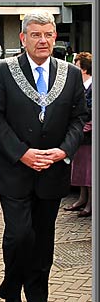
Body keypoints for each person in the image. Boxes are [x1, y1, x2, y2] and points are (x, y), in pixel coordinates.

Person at [0, 10, 88, 302]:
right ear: (23, 38)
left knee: (43, 240)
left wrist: (64, 150)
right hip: (14, 170)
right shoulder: (2, 71)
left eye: (48, 34)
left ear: (55, 36)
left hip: (52, 171)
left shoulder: (69, 73)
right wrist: (22, 153)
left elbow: (78, 117)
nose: (42, 40)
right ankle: (11, 296)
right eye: (35, 34)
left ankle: (37, 301)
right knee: (19, 236)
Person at [64, 52, 92, 217]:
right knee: (80, 169)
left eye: (76, 64)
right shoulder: (77, 86)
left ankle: (90, 203)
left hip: (89, 135)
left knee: (89, 171)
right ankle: (82, 198)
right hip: (79, 135)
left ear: (83, 69)